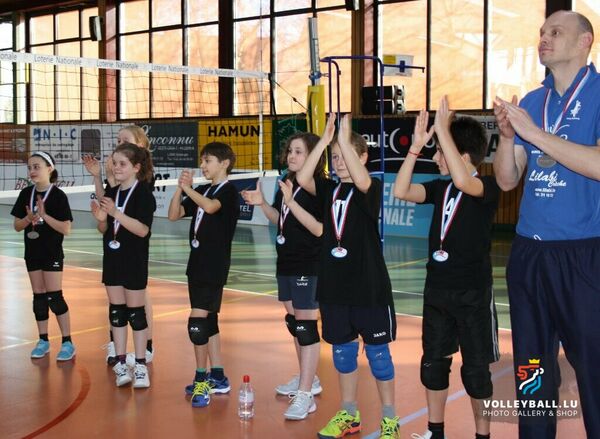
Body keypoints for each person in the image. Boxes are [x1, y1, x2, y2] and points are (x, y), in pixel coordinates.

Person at [493, 10, 600, 439]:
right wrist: (507, 137)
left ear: (585, 41)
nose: (544, 38)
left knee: (592, 367)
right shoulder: (532, 102)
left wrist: (534, 134)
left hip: (583, 255)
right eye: (541, 32)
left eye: (556, 32)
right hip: (529, 256)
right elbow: (506, 179)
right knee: (532, 369)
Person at [394, 98, 500, 439]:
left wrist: (443, 129)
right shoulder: (440, 188)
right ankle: (435, 431)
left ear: (462, 156)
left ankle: (482, 435)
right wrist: (416, 148)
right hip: (437, 290)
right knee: (433, 365)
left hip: (472, 294)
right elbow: (400, 190)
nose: (437, 157)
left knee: (476, 372)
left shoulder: (487, 187)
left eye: (441, 151)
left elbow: (466, 182)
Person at [295, 114, 400, 439]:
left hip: (369, 288)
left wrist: (343, 138)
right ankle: (349, 415)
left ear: (363, 158)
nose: (339, 162)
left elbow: (362, 181)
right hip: (334, 288)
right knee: (343, 354)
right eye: (336, 158)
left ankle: (389, 419)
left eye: (345, 156)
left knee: (379, 357)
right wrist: (326, 142)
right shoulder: (329, 189)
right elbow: (303, 176)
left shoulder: (371, 188)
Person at [241, 132, 325, 420]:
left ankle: (305, 395)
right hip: (286, 262)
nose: (291, 156)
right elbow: (281, 220)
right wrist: (263, 204)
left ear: (312, 156)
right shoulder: (287, 183)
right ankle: (308, 377)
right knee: (294, 323)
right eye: (290, 151)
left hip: (307, 263)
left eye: (299, 152)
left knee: (306, 326)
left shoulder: (316, 186)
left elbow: (316, 227)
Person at [168, 142, 240, 408]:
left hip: (213, 264)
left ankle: (201, 379)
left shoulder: (229, 191)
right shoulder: (203, 190)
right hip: (196, 263)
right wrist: (180, 189)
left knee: (197, 324)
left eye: (207, 161)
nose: (202, 166)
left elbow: (210, 208)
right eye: (202, 161)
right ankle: (218, 376)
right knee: (209, 320)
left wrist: (188, 189)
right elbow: (174, 215)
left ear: (224, 163)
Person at [83, 125, 155, 366]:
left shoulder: (141, 181)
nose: (119, 143)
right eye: (118, 140)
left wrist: (110, 176)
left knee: (138, 304)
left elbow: (133, 218)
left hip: (132, 248)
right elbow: (108, 199)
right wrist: (98, 177)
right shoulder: (116, 169)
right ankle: (118, 349)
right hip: (114, 246)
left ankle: (146, 349)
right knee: (117, 306)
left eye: (125, 140)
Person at [11, 152, 76, 361]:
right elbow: (17, 226)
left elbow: (66, 229)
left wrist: (44, 215)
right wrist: (28, 218)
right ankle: (43, 340)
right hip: (32, 253)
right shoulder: (25, 194)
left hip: (52, 252)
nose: (32, 171)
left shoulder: (58, 196)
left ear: (50, 168)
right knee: (38, 296)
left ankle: (67, 342)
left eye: (37, 166)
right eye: (30, 167)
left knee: (54, 297)